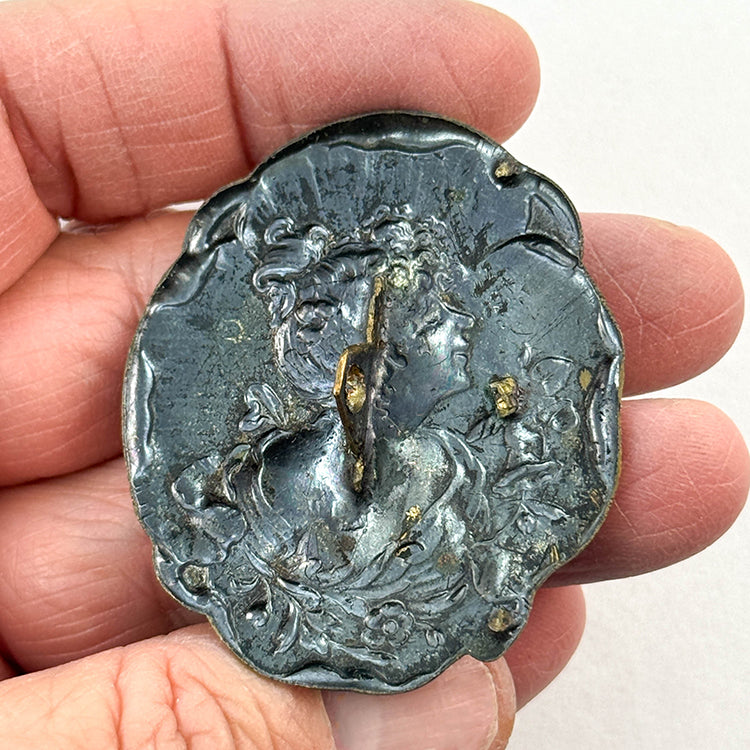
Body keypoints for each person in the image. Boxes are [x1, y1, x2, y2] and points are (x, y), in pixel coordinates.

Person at [0, 0, 746, 747]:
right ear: (370, 366)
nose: (466, 331)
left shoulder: (457, 470)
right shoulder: (265, 501)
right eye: (439, 317)